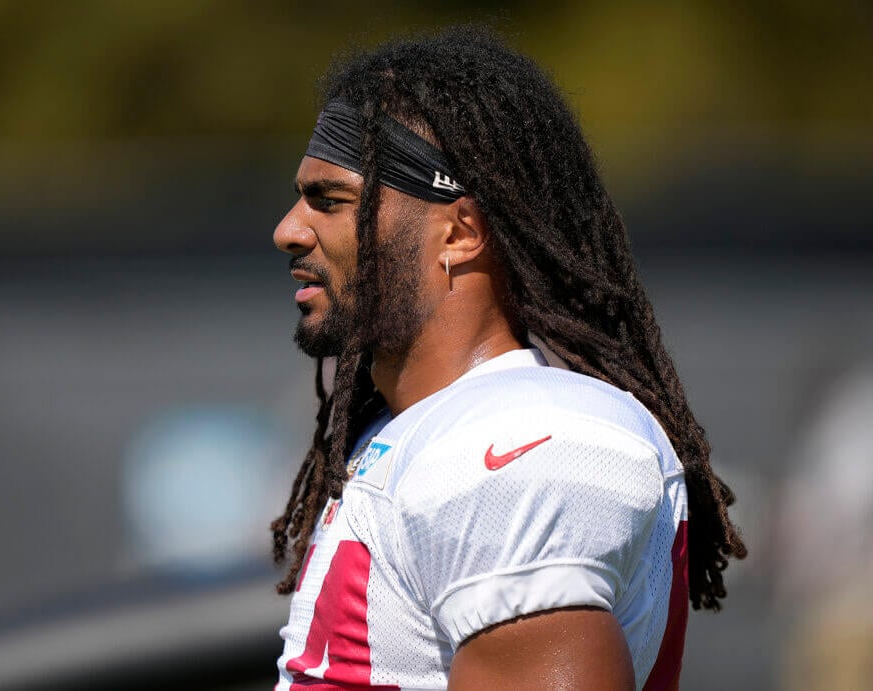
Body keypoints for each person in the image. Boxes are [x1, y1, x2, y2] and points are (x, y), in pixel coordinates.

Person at [269, 26, 746, 690]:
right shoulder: (419, 431)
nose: (288, 230)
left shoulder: (516, 442)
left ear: (460, 233)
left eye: (331, 201)